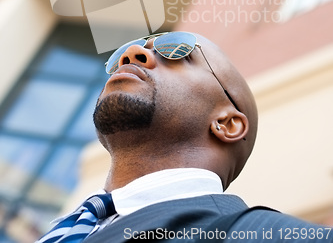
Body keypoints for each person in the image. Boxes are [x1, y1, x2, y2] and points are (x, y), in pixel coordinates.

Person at [37, 31, 332, 242]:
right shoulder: (67, 228)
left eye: (176, 50)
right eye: (119, 59)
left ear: (227, 124)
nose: (131, 55)